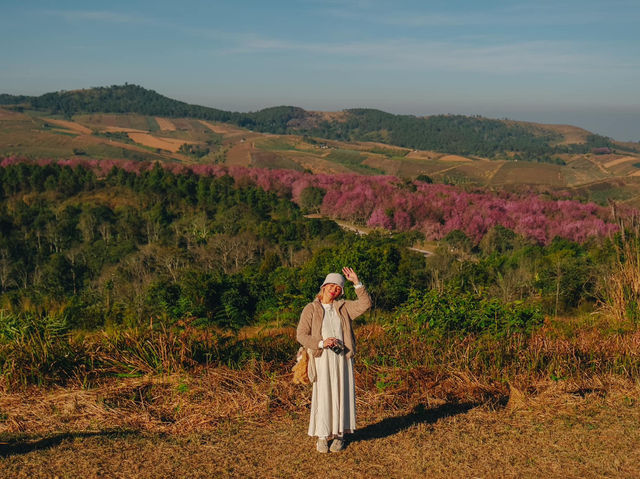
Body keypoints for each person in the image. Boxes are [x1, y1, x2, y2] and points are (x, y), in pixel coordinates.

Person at [296, 266, 372, 453]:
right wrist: (321, 343)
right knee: (323, 396)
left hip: (342, 360)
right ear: (324, 286)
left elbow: (365, 304)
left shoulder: (343, 307)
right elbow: (301, 335)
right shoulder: (311, 308)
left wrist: (356, 282)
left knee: (341, 395)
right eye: (332, 285)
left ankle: (339, 436)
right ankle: (322, 436)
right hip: (322, 359)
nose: (335, 289)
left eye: (338, 288)